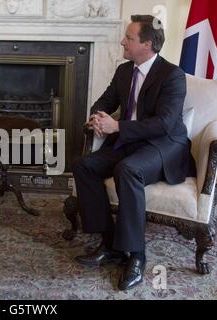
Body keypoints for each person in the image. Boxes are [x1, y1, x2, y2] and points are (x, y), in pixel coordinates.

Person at [73, 15, 196, 290]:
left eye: (129, 38)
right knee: (84, 165)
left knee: (127, 169)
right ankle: (110, 244)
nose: (122, 42)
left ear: (148, 44)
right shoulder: (124, 70)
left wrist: (117, 125)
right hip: (130, 142)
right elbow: (105, 101)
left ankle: (137, 255)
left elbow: (164, 123)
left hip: (163, 145)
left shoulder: (173, 75)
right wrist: (97, 117)